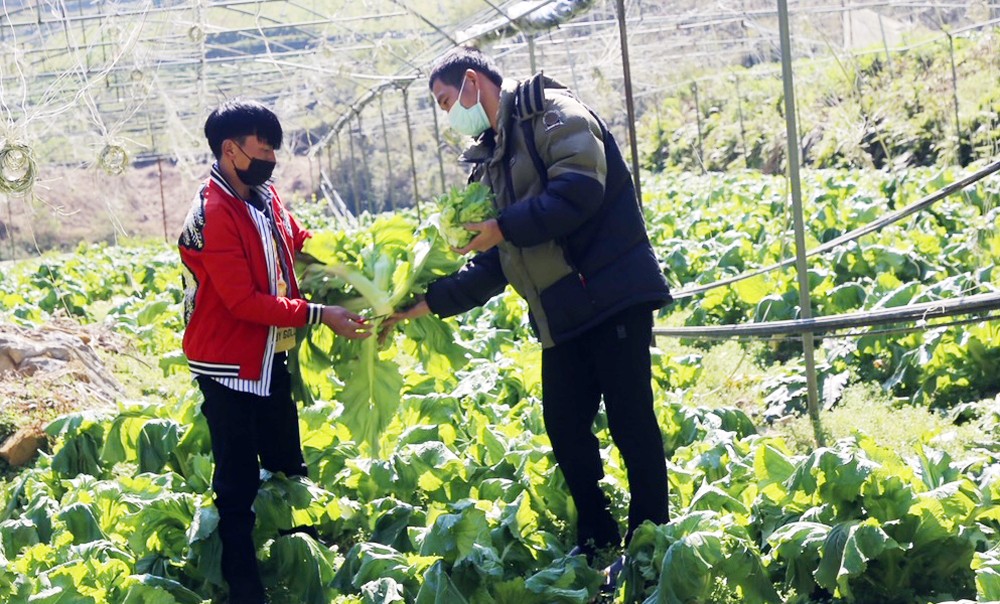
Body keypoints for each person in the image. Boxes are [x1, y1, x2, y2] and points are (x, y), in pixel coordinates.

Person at [388, 47, 672, 585]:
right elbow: (496, 262)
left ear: (473, 83)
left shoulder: (551, 112)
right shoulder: (490, 157)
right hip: (560, 311)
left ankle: (649, 538)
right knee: (564, 426)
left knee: (632, 423)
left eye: (448, 100)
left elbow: (580, 189)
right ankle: (596, 532)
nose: (449, 115)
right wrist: (423, 304)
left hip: (609, 292)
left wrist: (503, 228)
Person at [178, 99, 371, 604]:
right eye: (263, 147)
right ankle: (244, 583)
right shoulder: (213, 211)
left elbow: (294, 240)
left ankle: (300, 553)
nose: (271, 157)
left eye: (273, 148)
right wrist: (320, 314)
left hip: (268, 354)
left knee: (288, 462)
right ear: (230, 149)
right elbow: (242, 302)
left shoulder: (263, 194)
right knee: (237, 476)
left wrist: (349, 265)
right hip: (227, 362)